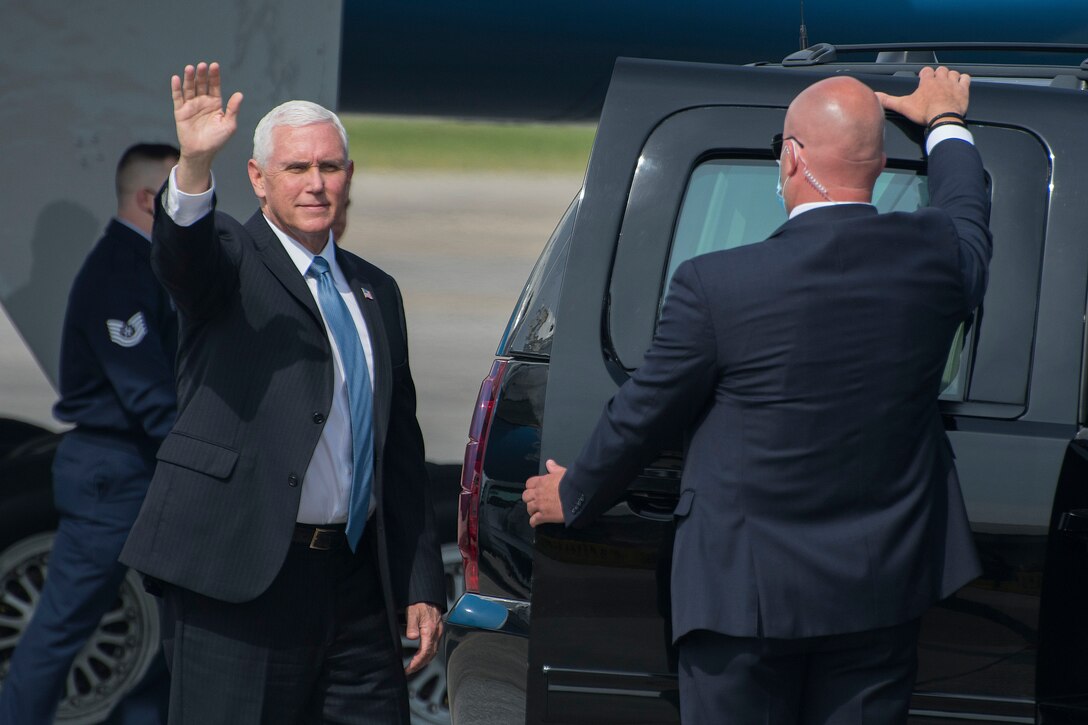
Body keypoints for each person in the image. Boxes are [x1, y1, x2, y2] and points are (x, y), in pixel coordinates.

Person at [523, 67, 991, 724]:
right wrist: (946, 121)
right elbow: (968, 210)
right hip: (878, 593)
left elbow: (646, 410)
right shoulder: (938, 254)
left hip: (744, 599)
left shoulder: (718, 284)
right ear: (881, 163)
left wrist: (574, 492)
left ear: (794, 157)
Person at [119, 62, 445, 724]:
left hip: (355, 584)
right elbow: (182, 260)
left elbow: (399, 451)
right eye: (297, 168)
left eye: (330, 167)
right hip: (243, 578)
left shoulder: (376, 292)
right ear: (259, 179)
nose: (316, 183)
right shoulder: (232, 259)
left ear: (349, 176)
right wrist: (193, 166)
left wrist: (420, 583)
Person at [0, 143, 179, 725]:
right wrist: (202, 453)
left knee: (179, 620)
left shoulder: (143, 266)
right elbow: (146, 392)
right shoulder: (117, 275)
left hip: (134, 465)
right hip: (114, 469)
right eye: (188, 190)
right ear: (149, 199)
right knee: (63, 624)